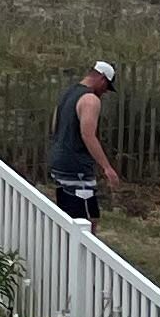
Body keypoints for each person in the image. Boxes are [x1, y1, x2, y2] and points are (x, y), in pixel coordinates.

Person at [48, 58, 121, 223]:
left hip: (59, 161)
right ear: (102, 78)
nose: (104, 92)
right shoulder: (90, 100)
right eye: (106, 87)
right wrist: (107, 167)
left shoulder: (67, 93)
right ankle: (78, 249)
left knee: (67, 216)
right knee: (88, 220)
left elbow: (54, 126)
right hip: (77, 166)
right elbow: (88, 135)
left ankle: (65, 247)